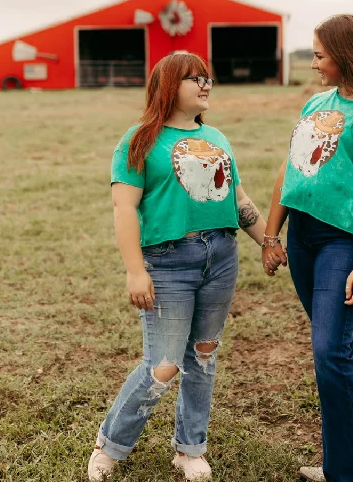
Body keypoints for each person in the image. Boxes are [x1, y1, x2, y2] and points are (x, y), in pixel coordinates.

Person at [88, 53, 266, 481]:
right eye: (194, 79)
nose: (205, 85)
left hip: (221, 257)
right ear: (169, 85)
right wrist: (135, 270)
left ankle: (190, 449)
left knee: (203, 356)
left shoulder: (218, 138)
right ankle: (109, 445)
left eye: (207, 78)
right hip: (168, 263)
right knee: (163, 364)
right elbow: (124, 208)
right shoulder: (139, 140)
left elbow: (238, 201)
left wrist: (269, 242)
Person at [262, 15, 353, 482]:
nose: (313, 63)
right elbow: (291, 173)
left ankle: (351, 474)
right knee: (340, 348)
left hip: (344, 243)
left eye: (320, 55)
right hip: (303, 239)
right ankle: (352, 466)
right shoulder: (315, 104)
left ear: (345, 55)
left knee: (329, 352)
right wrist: (271, 235)